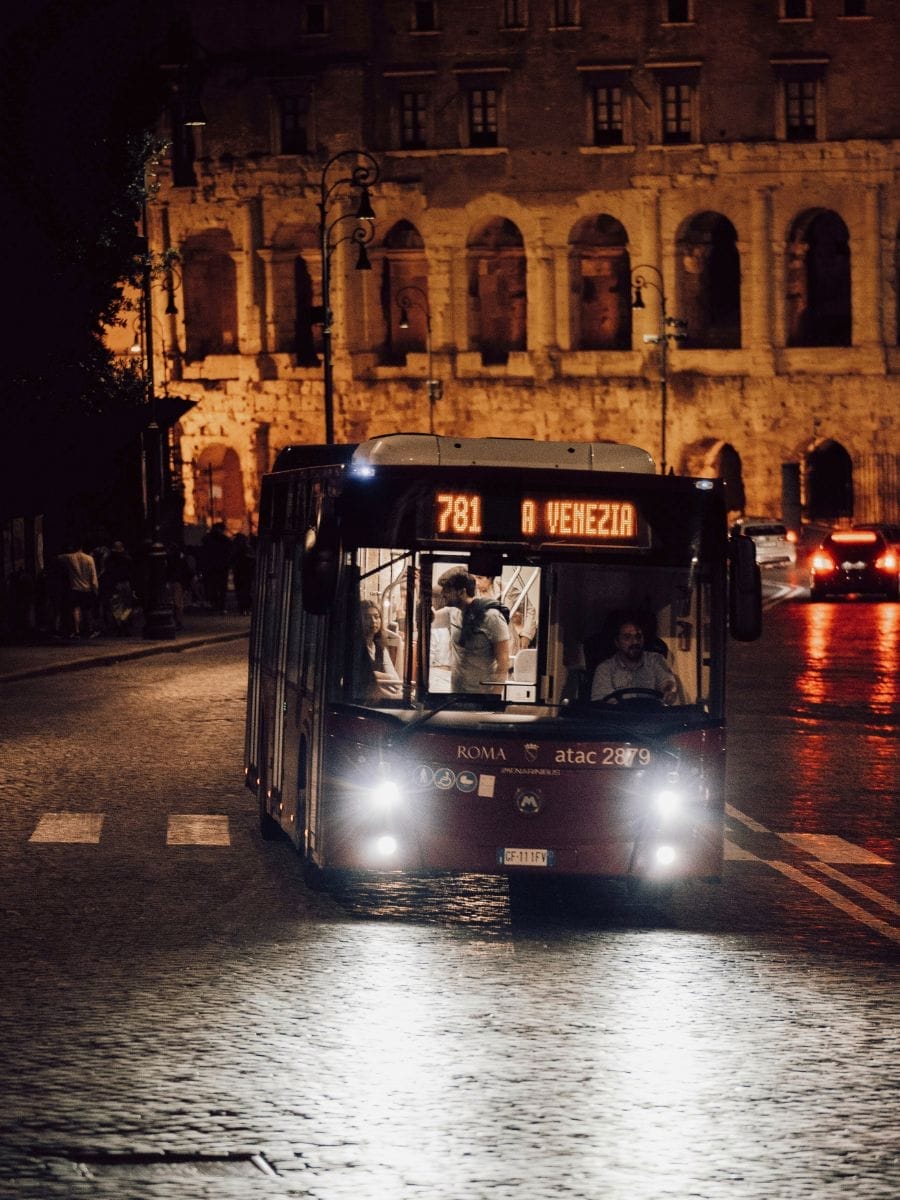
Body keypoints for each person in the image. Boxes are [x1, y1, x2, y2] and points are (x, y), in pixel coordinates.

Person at [433, 568, 511, 694]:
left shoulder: (492, 617)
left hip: (482, 696)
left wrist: (494, 698)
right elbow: (427, 620)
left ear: (461, 592)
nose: (443, 594)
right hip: (457, 695)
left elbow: (503, 663)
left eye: (447, 590)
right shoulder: (452, 612)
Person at [590, 614, 679, 704]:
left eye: (638, 636)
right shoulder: (605, 669)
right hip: (619, 716)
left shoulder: (656, 660)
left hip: (651, 714)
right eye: (627, 637)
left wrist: (668, 691)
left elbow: (667, 681)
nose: (635, 642)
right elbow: (601, 702)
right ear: (617, 642)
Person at [357, 599, 401, 700]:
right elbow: (362, 678)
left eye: (376, 617)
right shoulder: (355, 648)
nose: (373, 621)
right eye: (367, 617)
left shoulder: (380, 647)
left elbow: (394, 678)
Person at [57, 540, 99, 638]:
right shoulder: (89, 559)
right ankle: (89, 630)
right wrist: (95, 588)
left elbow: (58, 558)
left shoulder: (70, 557)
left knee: (75, 609)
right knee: (87, 610)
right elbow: (93, 575)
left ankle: (76, 630)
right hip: (87, 588)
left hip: (75, 587)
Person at [100, 541, 135, 636]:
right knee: (127, 605)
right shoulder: (128, 559)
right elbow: (132, 574)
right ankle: (124, 620)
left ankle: (120, 623)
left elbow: (107, 573)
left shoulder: (109, 560)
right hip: (126, 583)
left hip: (115, 584)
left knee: (116, 606)